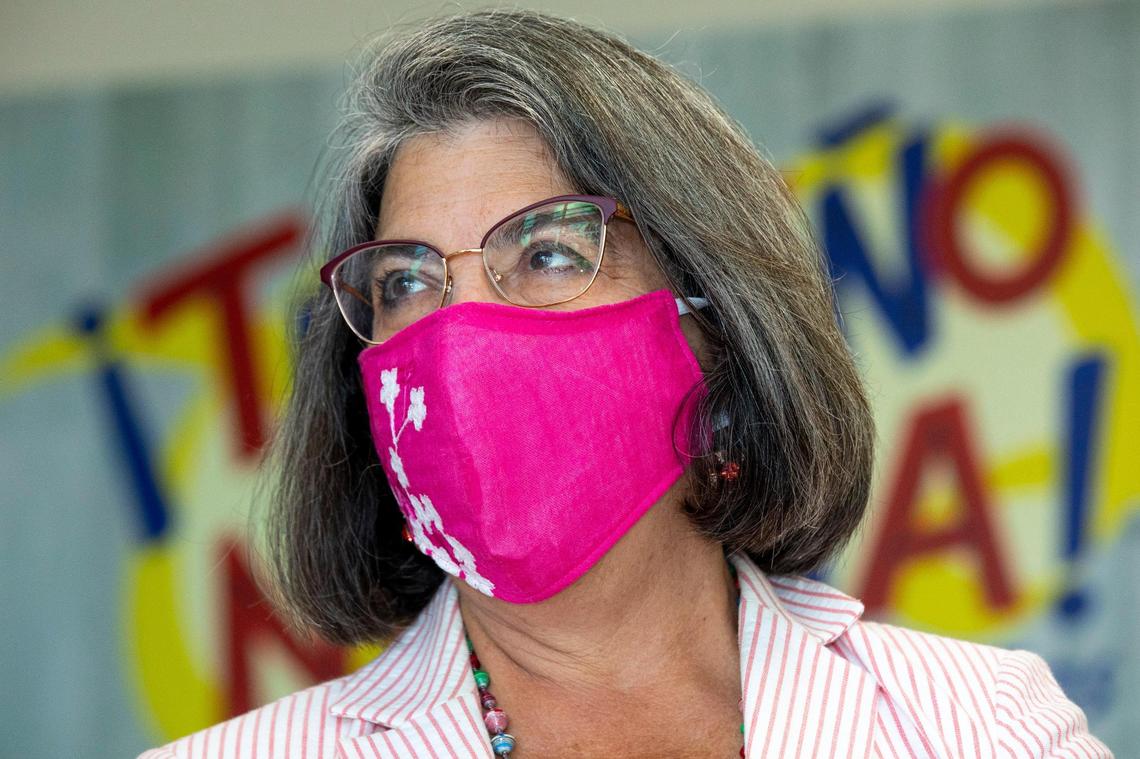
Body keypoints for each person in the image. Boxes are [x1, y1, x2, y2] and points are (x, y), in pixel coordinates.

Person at [139, 9, 1111, 759]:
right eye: (406, 281)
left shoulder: (978, 725)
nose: (461, 329)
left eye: (551, 253)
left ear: (716, 321)